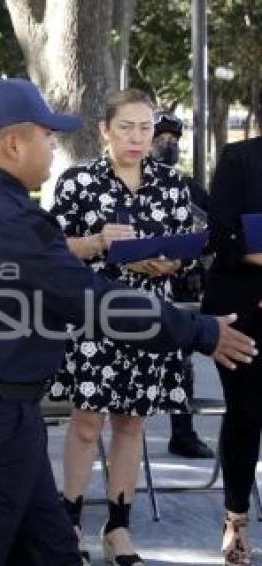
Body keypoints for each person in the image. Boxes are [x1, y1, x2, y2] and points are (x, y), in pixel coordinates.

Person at [0, 78, 257, 566]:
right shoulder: (8, 219)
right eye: (46, 136)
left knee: (53, 551)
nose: (53, 147)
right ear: (13, 144)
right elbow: (93, 302)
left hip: (0, 416)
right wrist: (201, 332)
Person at [48, 89, 199, 563]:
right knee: (87, 421)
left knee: (132, 425)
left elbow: (185, 249)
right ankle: (68, 523)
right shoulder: (77, 183)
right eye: (127, 127)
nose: (137, 137)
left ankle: (118, 529)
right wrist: (95, 242)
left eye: (145, 127)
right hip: (94, 315)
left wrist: (170, 264)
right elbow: (51, 248)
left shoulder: (174, 185)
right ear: (105, 131)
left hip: (150, 316)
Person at [201, 134, 262, 565]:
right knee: (248, 410)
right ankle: (235, 521)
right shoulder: (239, 158)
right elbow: (222, 233)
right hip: (243, 310)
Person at [149, 111, 215, 459]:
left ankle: (183, 432)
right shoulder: (131, 185)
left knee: (181, 364)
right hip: (143, 287)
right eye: (161, 138)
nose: (168, 145)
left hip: (185, 289)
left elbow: (215, 234)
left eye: (174, 140)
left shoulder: (191, 189)